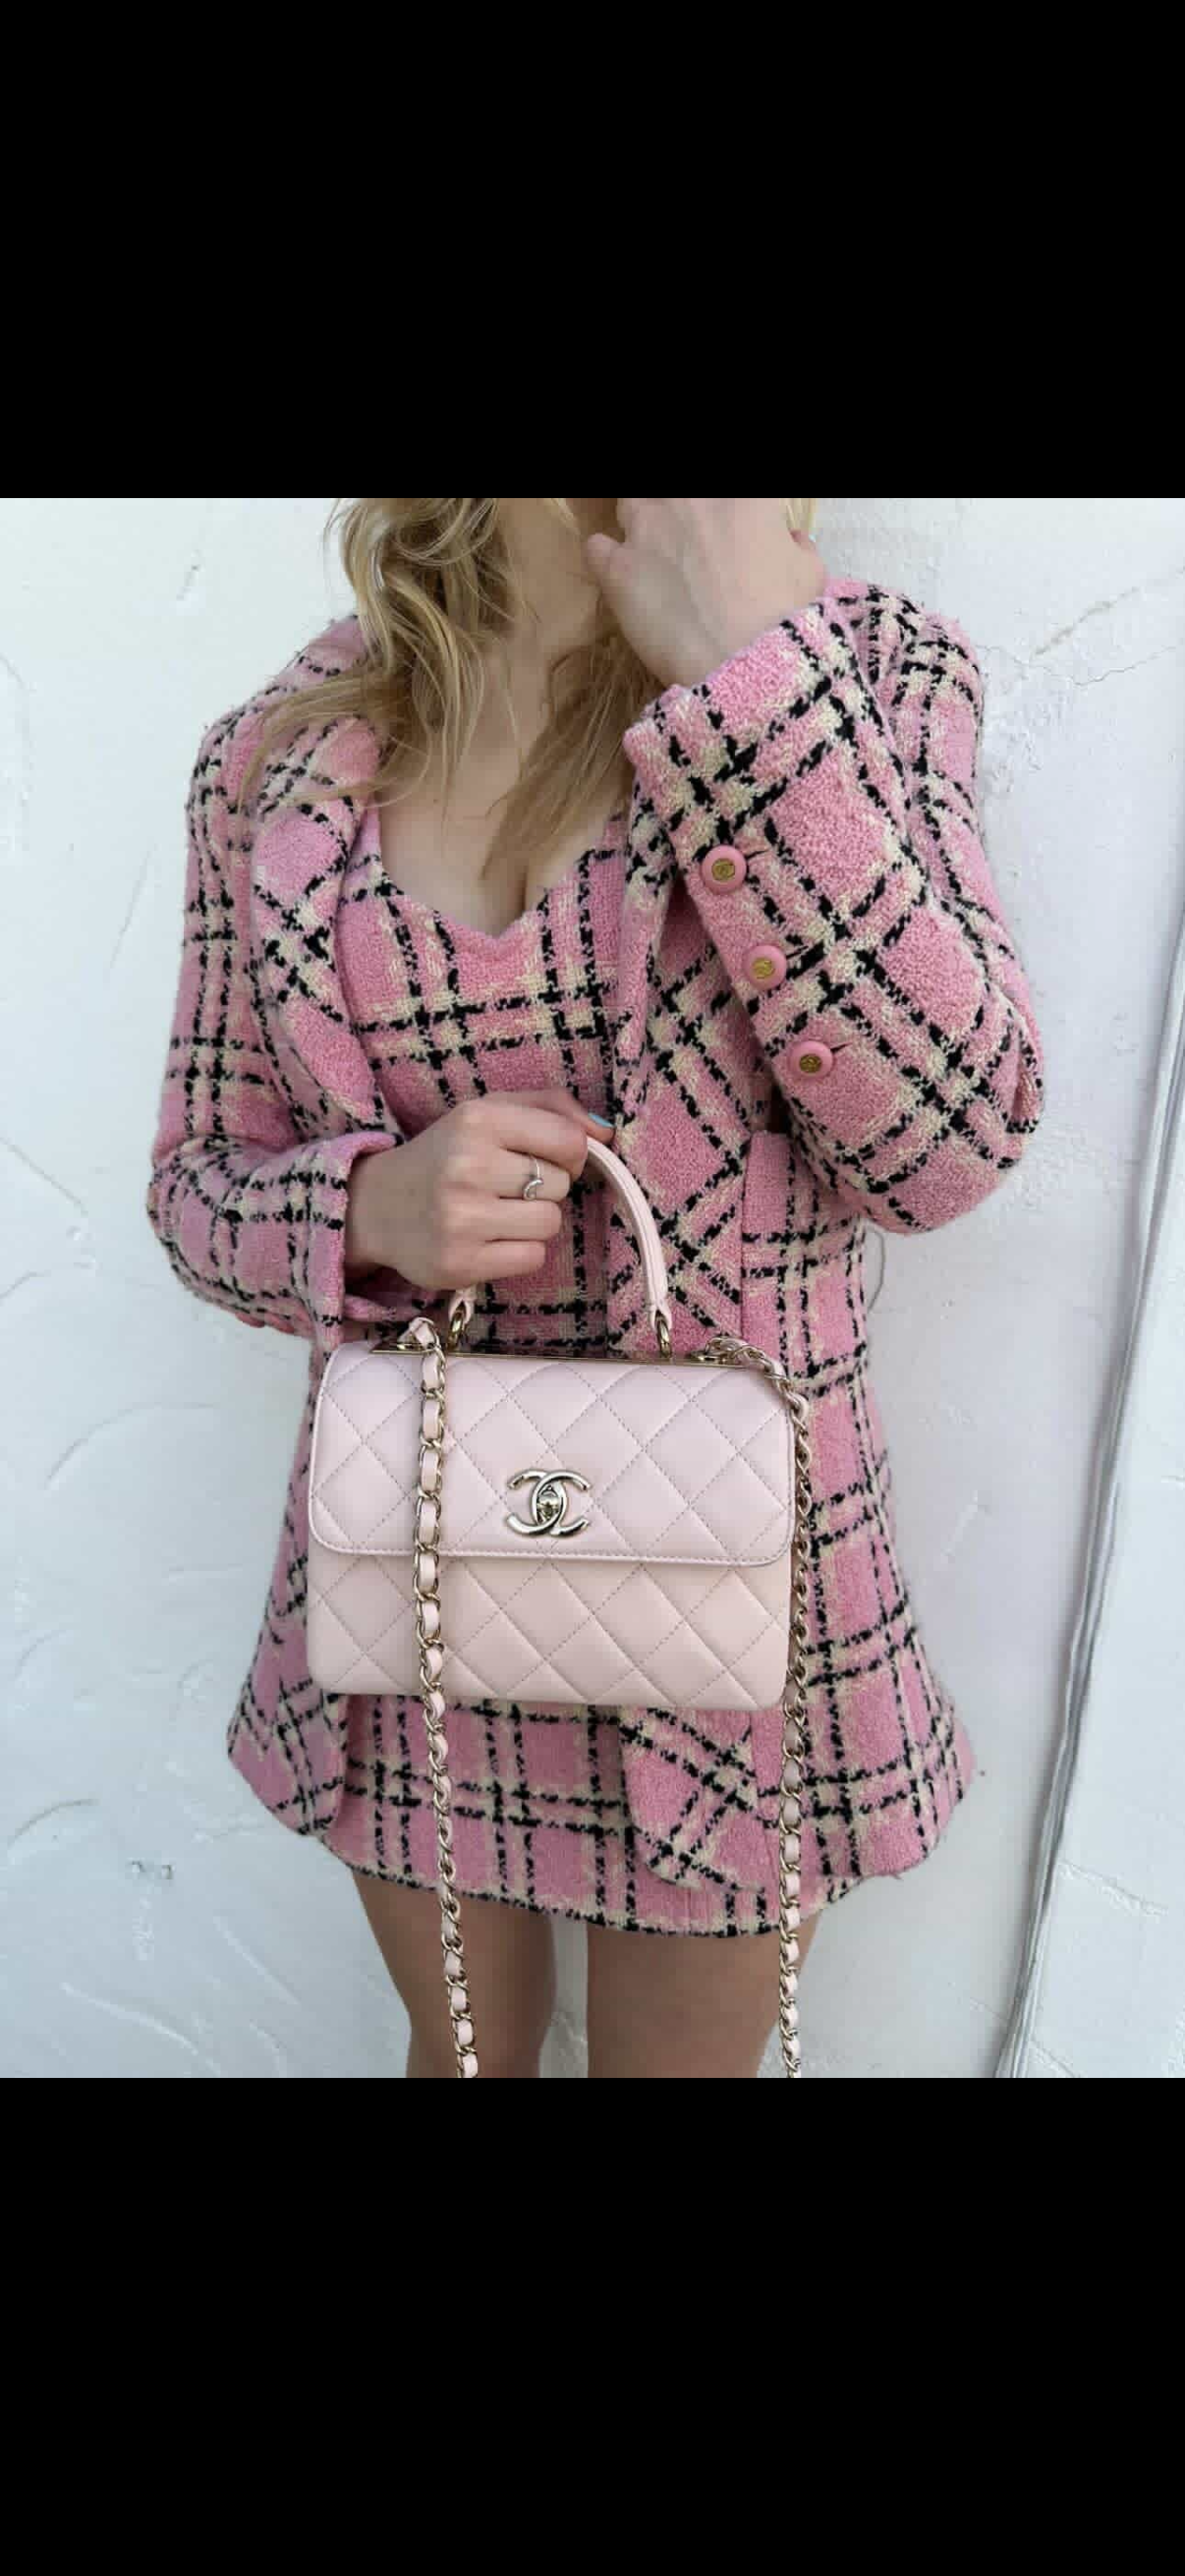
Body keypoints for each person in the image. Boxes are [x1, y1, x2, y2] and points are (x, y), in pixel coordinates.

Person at [146, 497, 1045, 2079]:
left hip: (732, 1596)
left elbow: (946, 1145)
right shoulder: (282, 750)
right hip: (417, 1567)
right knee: (459, 2059)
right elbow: (196, 1185)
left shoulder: (857, 672)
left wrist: (749, 680)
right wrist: (364, 1210)